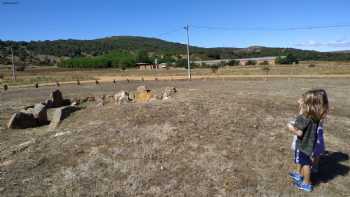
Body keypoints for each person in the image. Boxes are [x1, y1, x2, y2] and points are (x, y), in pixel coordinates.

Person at [287, 89, 329, 192]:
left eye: (305, 102)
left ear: (309, 105)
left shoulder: (306, 117)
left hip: (304, 145)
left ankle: (306, 183)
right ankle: (301, 176)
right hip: (310, 145)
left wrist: (290, 127)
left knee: (305, 164)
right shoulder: (316, 116)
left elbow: (299, 133)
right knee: (304, 161)